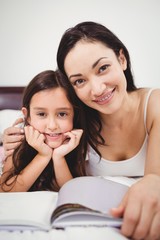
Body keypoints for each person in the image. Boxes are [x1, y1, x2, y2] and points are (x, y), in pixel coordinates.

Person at [2, 21, 160, 239]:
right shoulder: (76, 119)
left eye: (103, 68)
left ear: (121, 59)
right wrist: (12, 137)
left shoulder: (155, 105)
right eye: (79, 81)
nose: (97, 89)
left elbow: (155, 179)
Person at [0, 70, 86, 192]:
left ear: (74, 115)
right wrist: (43, 155)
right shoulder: (18, 143)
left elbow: (72, 192)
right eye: (41, 114)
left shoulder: (77, 143)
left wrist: (58, 157)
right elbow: (4, 191)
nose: (52, 126)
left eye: (62, 114)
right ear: (27, 116)